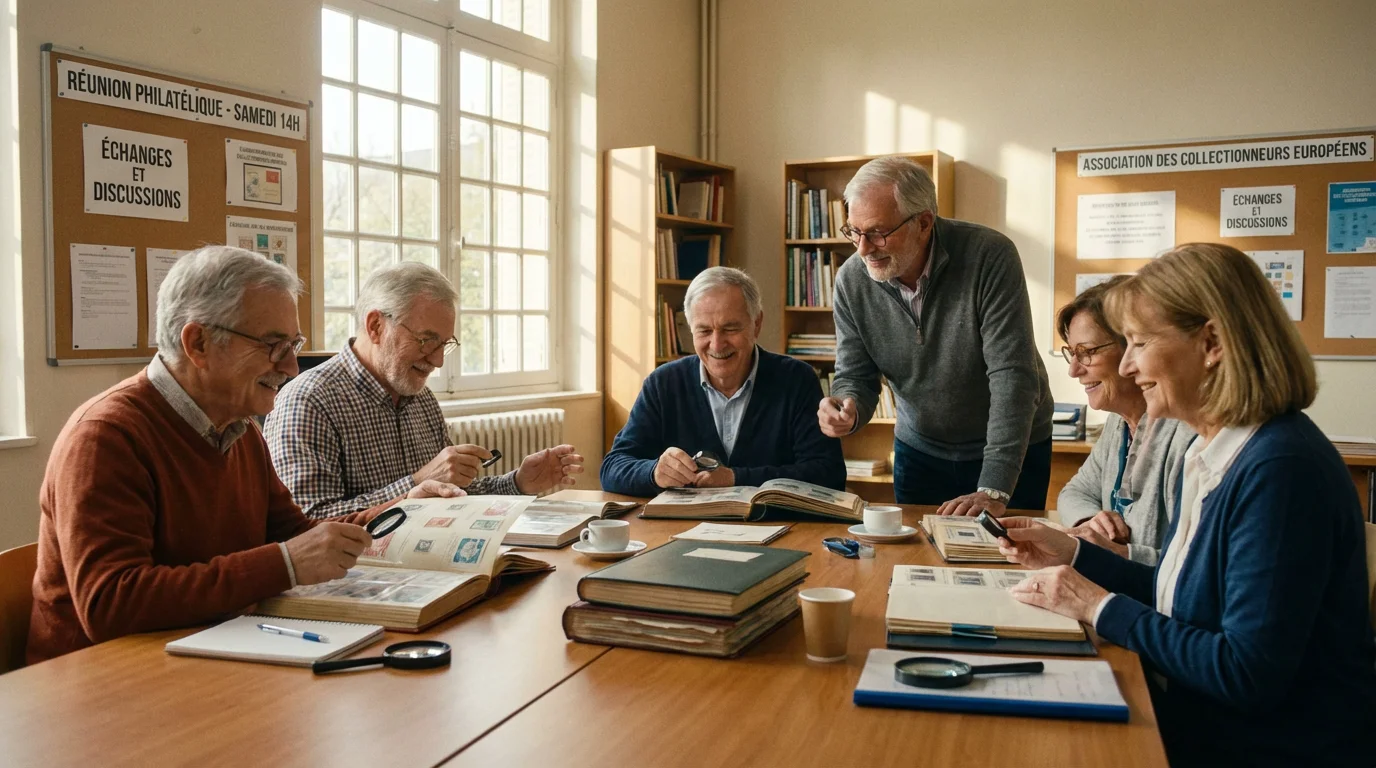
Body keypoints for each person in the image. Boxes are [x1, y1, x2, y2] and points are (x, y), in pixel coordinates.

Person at [997, 244, 1376, 766]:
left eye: (1139, 343)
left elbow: (1244, 673)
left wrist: (1095, 605)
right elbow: (1185, 601)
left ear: (1212, 342)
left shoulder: (1280, 469)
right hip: (1204, 722)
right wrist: (1074, 554)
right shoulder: (1216, 449)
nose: (1128, 365)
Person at [28, 247, 462, 664]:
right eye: (274, 345)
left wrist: (403, 508)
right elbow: (111, 604)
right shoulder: (107, 436)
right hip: (100, 688)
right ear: (198, 343)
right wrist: (285, 563)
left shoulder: (238, 428)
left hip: (208, 653)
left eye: (294, 345)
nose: (291, 367)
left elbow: (296, 533)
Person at [818, 155, 1053, 516]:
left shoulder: (989, 256)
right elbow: (855, 375)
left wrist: (993, 487)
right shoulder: (852, 279)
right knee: (918, 563)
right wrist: (847, 407)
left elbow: (1012, 377)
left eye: (878, 233)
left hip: (1010, 449)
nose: (863, 249)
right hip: (920, 450)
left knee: (1008, 561)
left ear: (924, 222)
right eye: (853, 231)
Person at [265, 263, 583, 518]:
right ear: (376, 326)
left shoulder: (420, 396)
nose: (438, 360)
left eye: (445, 344)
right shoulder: (308, 401)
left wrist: (517, 483)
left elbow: (452, 496)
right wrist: (415, 485)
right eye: (426, 340)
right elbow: (308, 525)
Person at [601, 267, 845, 496]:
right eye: (704, 331)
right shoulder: (663, 383)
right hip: (683, 532)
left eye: (730, 329)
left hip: (778, 530)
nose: (717, 345)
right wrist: (654, 472)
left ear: (756, 323)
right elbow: (612, 468)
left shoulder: (796, 379)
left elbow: (828, 474)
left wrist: (735, 478)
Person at [1053, 277, 1195, 565]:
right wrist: (1092, 521)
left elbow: (1196, 569)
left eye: (1087, 352)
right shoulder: (1118, 425)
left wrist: (1121, 555)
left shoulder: (1188, 435)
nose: (1074, 370)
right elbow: (1074, 492)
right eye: (1072, 352)